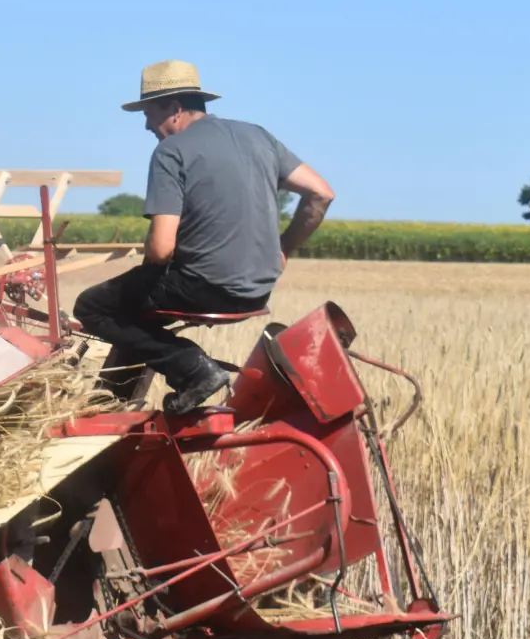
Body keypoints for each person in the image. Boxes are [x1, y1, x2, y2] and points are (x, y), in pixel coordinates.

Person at [74, 60, 336, 414]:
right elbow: (321, 193)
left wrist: (151, 254)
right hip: (257, 289)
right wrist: (283, 249)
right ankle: (114, 404)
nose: (147, 125)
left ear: (174, 108)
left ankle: (194, 370)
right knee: (137, 311)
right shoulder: (258, 136)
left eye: (149, 112)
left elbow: (162, 249)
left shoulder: (171, 151)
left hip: (203, 287)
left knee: (93, 306)